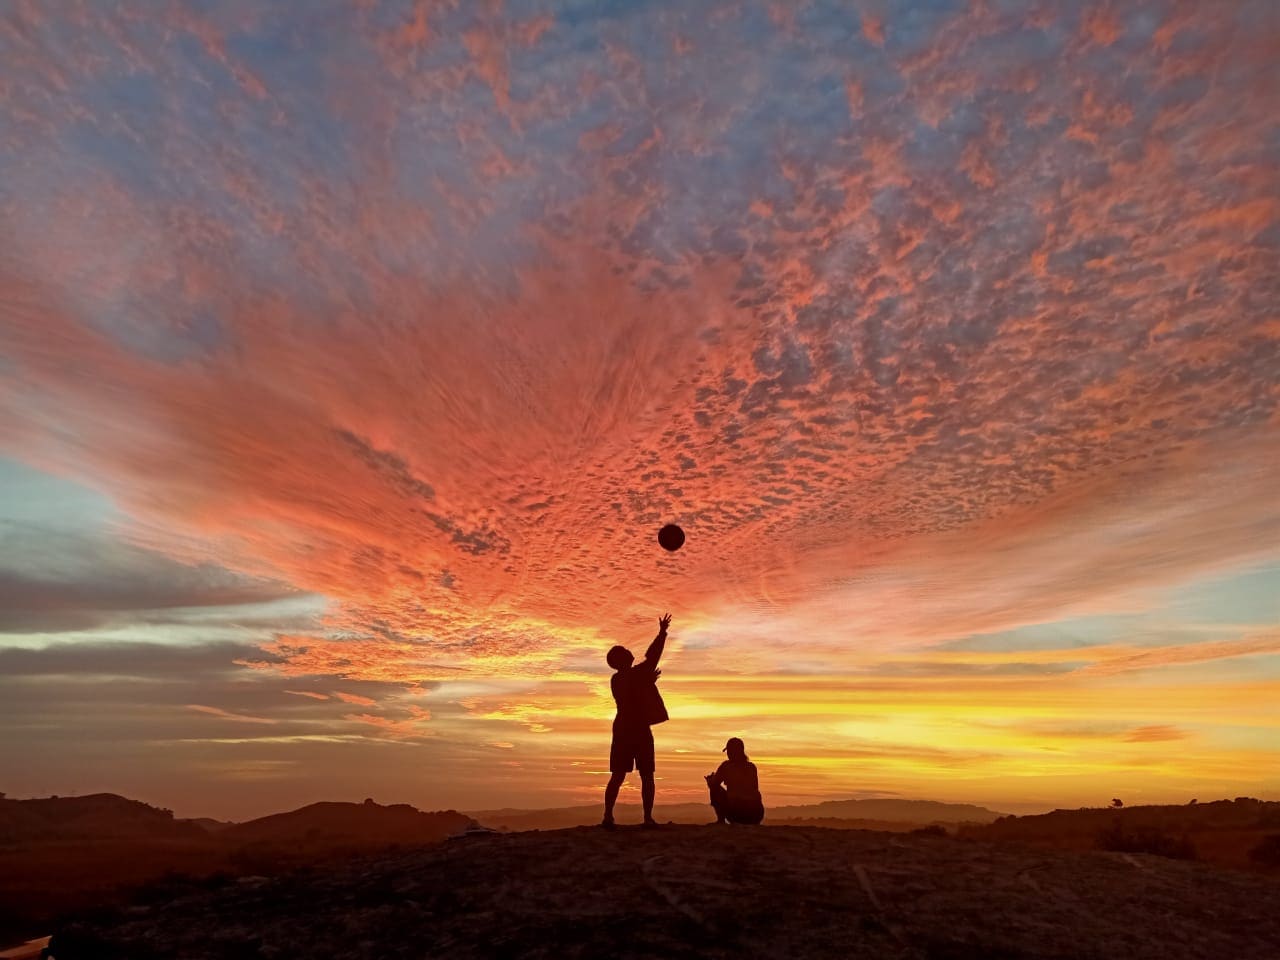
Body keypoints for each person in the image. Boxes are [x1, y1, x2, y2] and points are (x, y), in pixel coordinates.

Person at [602, 613, 671, 829]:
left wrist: (647, 682)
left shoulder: (621, 678)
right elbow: (652, 659)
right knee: (642, 774)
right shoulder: (629, 676)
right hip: (635, 728)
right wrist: (661, 633)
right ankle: (644, 818)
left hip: (626, 727)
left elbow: (637, 684)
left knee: (623, 774)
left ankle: (609, 817)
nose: (629, 652)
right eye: (624, 652)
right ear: (620, 660)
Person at [705, 737, 764, 825]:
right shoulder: (752, 767)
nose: (727, 754)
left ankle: (721, 820)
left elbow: (714, 783)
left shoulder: (726, 766)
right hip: (756, 814)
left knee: (714, 787)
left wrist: (710, 780)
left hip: (737, 813)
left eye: (728, 751)